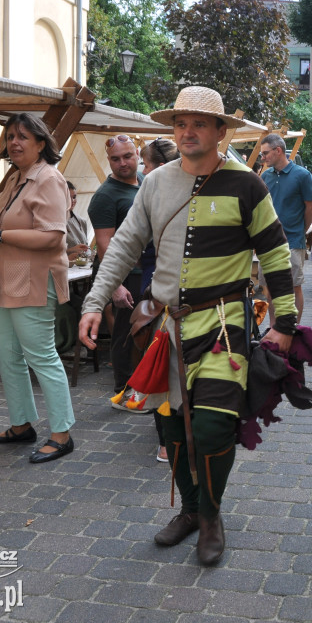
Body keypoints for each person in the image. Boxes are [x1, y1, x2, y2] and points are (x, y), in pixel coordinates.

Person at [78, 86, 297, 567]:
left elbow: (276, 254)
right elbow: (122, 247)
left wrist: (286, 321)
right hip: (166, 327)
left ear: (222, 132)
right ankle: (192, 510)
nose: (188, 131)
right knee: (172, 426)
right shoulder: (155, 185)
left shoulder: (248, 185)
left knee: (215, 426)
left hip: (224, 323)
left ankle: (212, 515)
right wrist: (94, 302)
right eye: (180, 123)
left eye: (199, 123)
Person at [0, 113, 75, 464]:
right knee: (7, 355)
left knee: (41, 356)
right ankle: (20, 425)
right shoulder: (15, 177)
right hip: (6, 279)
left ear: (41, 143)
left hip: (33, 279)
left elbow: (52, 236)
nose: (14, 142)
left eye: (23, 137)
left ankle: (61, 434)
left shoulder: (48, 179)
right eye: (10, 136)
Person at [88, 135, 146, 406]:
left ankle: (144, 389)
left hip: (149, 274)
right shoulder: (105, 196)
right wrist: (116, 285)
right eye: (115, 159)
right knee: (125, 336)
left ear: (137, 154)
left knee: (146, 333)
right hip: (127, 277)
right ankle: (124, 392)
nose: (122, 163)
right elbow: (104, 244)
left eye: (127, 156)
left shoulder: (146, 182)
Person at [136, 138, 181, 464]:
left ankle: (168, 439)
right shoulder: (154, 193)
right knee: (161, 365)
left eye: (145, 164)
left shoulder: (160, 193)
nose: (142, 170)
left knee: (161, 367)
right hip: (156, 293)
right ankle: (168, 436)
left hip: (159, 295)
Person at [259, 133, 312, 324]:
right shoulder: (265, 176)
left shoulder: (302, 175)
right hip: (267, 242)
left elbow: (311, 207)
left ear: (278, 151)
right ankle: (274, 327)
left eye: (266, 153)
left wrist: (300, 231)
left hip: (292, 241)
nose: (263, 157)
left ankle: (295, 328)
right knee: (269, 288)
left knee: (294, 287)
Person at [64, 181, 90, 259]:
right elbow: (46, 253)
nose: (72, 201)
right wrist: (70, 251)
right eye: (68, 197)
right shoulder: (51, 222)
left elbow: (86, 247)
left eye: (74, 197)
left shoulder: (82, 221)